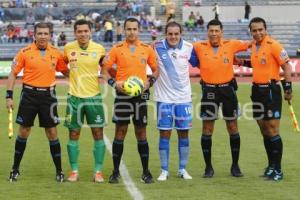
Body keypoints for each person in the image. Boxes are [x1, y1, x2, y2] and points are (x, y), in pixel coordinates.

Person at [6, 22, 68, 182]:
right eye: (39, 33)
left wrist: (76, 67)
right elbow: (13, 74)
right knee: (24, 131)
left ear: (50, 35)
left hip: (48, 97)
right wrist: (9, 96)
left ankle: (59, 171)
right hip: (29, 96)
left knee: (52, 133)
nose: (42, 36)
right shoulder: (24, 52)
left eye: (45, 33)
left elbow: (66, 72)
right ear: (34, 35)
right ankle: (15, 169)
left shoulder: (56, 53)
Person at [102, 17, 158, 184]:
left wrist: (149, 82)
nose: (132, 32)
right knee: (120, 132)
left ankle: (146, 172)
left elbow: (156, 70)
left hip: (140, 97)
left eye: (134, 29)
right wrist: (114, 84)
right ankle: (115, 171)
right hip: (122, 97)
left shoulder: (147, 49)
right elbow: (104, 70)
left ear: (138, 30)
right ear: (124, 30)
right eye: (129, 29)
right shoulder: (116, 49)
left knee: (141, 133)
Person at [193, 19, 250, 178]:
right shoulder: (199, 46)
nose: (214, 34)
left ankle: (235, 166)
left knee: (232, 127)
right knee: (207, 129)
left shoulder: (231, 44)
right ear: (207, 32)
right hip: (209, 91)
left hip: (228, 90)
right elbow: (181, 49)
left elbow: (251, 43)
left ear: (221, 32)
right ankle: (208, 167)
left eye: (216, 31)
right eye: (211, 31)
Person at [248, 17, 292, 181]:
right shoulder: (253, 45)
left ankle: (278, 170)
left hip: (271, 90)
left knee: (273, 129)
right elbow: (257, 64)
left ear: (265, 29)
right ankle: (271, 166)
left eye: (260, 29)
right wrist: (241, 62)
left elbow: (286, 65)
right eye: (254, 30)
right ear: (251, 32)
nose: (258, 33)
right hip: (257, 91)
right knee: (264, 130)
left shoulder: (274, 45)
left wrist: (287, 88)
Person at [63, 19, 107, 183]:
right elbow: (62, 65)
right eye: (79, 31)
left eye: (85, 31)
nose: (82, 34)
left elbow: (105, 68)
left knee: (97, 133)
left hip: (94, 97)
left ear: (91, 32)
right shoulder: (68, 48)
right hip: (74, 97)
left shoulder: (99, 49)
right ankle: (74, 171)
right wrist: (71, 76)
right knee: (73, 133)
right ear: (75, 33)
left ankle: (98, 171)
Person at [154, 21, 199, 181]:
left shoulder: (189, 47)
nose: (173, 36)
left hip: (183, 99)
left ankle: (182, 169)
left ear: (181, 34)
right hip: (163, 99)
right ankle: (164, 170)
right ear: (166, 34)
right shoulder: (156, 47)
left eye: (176, 34)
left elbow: (200, 63)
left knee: (183, 133)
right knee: (164, 134)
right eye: (170, 34)